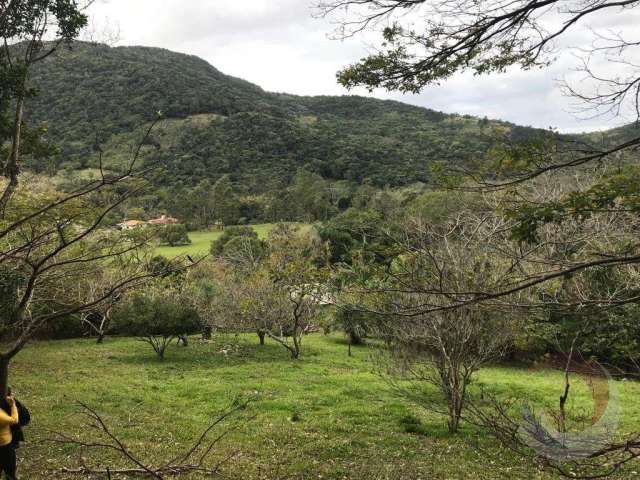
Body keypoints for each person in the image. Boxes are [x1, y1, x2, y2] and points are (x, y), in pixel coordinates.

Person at [0, 388, 29, 480]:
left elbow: (24, 419)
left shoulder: (7, 402)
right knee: (9, 470)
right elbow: (21, 420)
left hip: (7, 443)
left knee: (9, 470)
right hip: (6, 445)